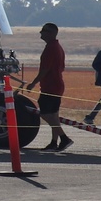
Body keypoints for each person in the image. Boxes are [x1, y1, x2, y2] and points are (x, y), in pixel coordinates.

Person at [33, 22, 72, 151]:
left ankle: (64, 137)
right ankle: (54, 142)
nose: (41, 33)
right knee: (54, 115)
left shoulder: (51, 48)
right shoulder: (57, 47)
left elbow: (45, 69)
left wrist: (33, 83)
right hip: (57, 85)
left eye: (43, 30)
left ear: (50, 33)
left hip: (51, 86)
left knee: (45, 114)